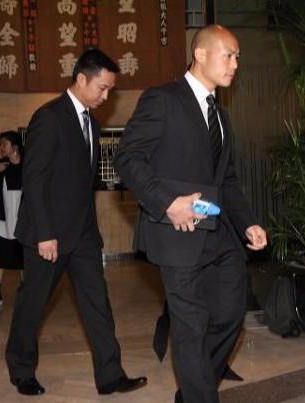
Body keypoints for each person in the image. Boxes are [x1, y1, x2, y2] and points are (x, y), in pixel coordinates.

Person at [114, 25, 268, 403]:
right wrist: (168, 202)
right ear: (200, 54)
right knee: (191, 327)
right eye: (228, 55)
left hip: (220, 231)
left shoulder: (220, 116)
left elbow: (226, 179)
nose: (235, 64)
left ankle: (193, 392)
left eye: (238, 58)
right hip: (177, 234)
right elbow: (127, 157)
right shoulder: (163, 99)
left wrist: (247, 222)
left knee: (230, 315)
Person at [4, 48, 147, 397]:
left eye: (110, 89)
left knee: (97, 302)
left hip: (82, 234)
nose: (106, 96)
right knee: (33, 303)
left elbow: (81, 185)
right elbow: (34, 178)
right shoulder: (49, 117)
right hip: (48, 233)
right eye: (103, 87)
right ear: (81, 79)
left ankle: (110, 375)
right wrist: (45, 233)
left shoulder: (91, 124)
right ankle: (21, 370)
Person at [0, 131, 24, 307]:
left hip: (23, 218)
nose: (1, 147)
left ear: (14, 146)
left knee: (23, 258)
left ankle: (26, 292)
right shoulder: (0, 164)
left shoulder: (28, 164)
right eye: (0, 144)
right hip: (3, 218)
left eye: (4, 143)